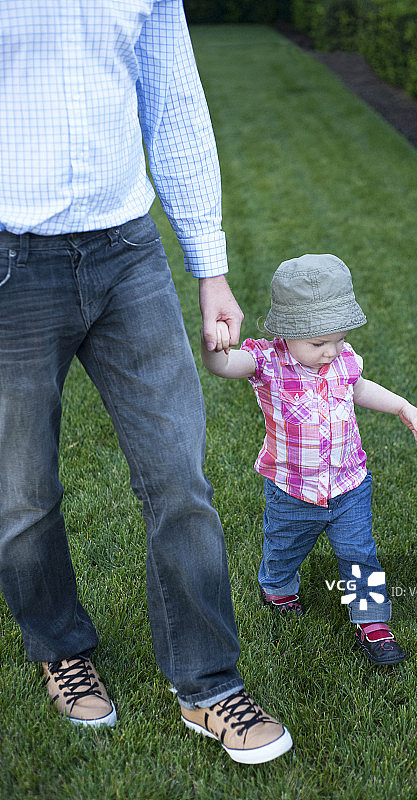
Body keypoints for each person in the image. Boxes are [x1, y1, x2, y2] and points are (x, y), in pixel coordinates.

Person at [0, 0, 293, 764]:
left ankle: (207, 684)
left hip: (127, 253)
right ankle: (59, 646)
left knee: (178, 476)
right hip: (10, 260)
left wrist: (210, 267)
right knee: (21, 490)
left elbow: (173, 100)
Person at [201, 254, 417, 665]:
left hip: (349, 485)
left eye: (338, 340)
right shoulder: (267, 362)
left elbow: (359, 388)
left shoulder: (341, 359)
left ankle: (373, 622)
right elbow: (224, 365)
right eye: (319, 344)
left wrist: (400, 405)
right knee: (284, 547)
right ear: (286, 333)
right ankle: (277, 588)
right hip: (292, 491)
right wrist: (214, 345)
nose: (330, 352)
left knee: (360, 553)